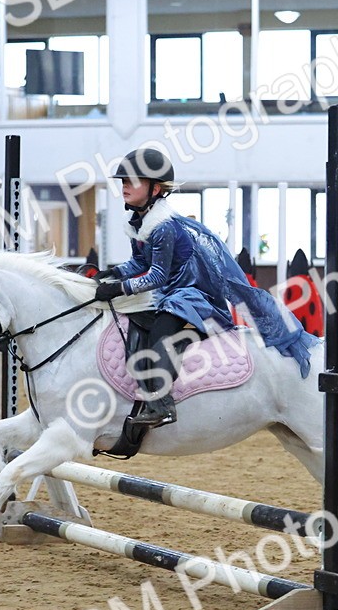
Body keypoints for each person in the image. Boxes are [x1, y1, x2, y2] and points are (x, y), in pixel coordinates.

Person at [94, 148, 316, 428]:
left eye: (133, 181)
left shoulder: (163, 227)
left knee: (161, 334)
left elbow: (158, 276)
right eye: (123, 181)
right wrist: (112, 273)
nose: (125, 185)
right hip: (169, 297)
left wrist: (120, 289)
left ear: (155, 189)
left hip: (191, 299)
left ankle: (161, 404)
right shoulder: (139, 224)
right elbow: (139, 263)